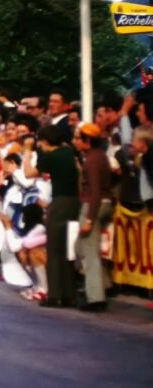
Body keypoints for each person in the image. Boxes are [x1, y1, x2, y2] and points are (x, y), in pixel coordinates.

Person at [23, 126, 80, 308]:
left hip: (60, 202)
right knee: (68, 250)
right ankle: (69, 294)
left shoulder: (50, 157)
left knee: (54, 250)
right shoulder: (69, 152)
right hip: (75, 202)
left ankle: (55, 295)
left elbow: (28, 174)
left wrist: (27, 151)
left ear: (45, 141)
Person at [72, 122, 114, 311]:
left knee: (89, 252)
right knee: (81, 247)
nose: (75, 141)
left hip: (93, 205)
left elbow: (95, 190)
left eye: (78, 138)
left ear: (87, 140)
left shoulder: (93, 160)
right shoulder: (99, 156)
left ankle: (96, 298)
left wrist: (89, 218)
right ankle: (104, 284)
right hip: (103, 203)